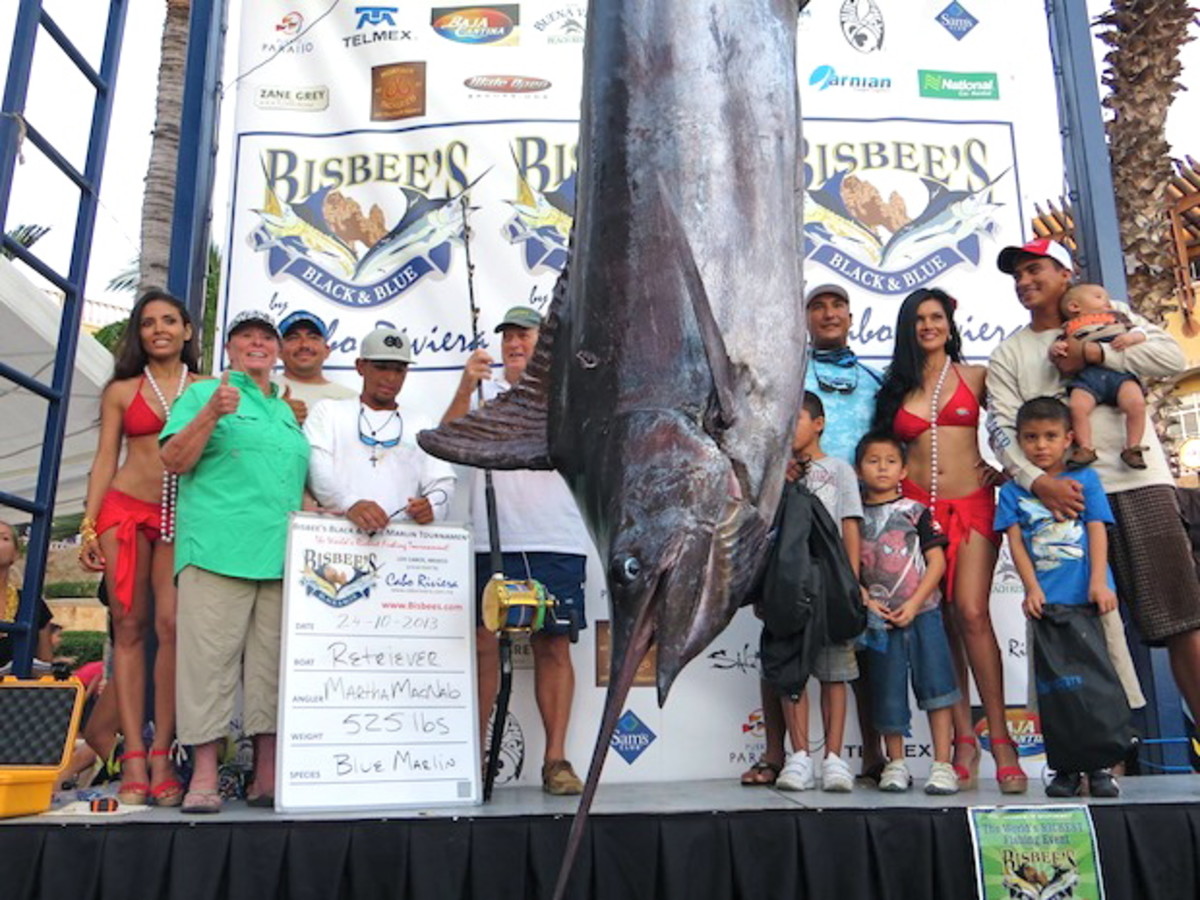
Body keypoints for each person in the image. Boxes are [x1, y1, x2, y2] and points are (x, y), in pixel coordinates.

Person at [989, 237, 1200, 745]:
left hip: (1138, 483)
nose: (1024, 282)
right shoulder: (1009, 353)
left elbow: (1171, 355)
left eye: (1035, 269)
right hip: (1065, 502)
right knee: (1081, 634)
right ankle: (1095, 760)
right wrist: (1039, 481)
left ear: (1068, 275)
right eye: (1017, 275)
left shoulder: (1111, 312)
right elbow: (1001, 430)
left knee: (1183, 621)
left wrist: (1093, 351)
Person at [873, 287, 1025, 793]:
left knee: (973, 613)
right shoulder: (894, 387)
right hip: (917, 513)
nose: (928, 326)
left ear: (950, 323)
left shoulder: (976, 377)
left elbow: (1010, 426)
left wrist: (1008, 470)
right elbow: (878, 449)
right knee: (941, 625)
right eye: (918, 319)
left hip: (973, 505)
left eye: (936, 317)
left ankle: (1001, 738)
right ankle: (964, 741)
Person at [161, 309, 310, 813]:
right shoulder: (205, 393)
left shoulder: (287, 411)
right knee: (208, 667)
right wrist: (211, 414)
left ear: (278, 351)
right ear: (229, 349)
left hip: (280, 558)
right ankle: (203, 774)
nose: (257, 343)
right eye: (245, 336)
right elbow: (174, 460)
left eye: (266, 337)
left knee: (272, 670)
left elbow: (295, 485)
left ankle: (265, 774)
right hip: (217, 552)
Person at [441, 305, 593, 795]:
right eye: (507, 337)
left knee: (552, 645)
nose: (514, 344)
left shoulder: (570, 396)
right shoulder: (485, 396)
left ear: (544, 346)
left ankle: (556, 760)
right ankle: (475, 753)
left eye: (525, 336)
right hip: (494, 539)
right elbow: (445, 439)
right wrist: (465, 387)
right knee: (487, 646)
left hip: (556, 537)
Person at [743, 283, 886, 786]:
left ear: (850, 315)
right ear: (803, 318)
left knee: (848, 651)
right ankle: (781, 754)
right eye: (817, 306)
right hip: (788, 521)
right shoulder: (786, 374)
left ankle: (864, 755)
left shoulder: (875, 378)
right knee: (782, 652)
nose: (828, 314)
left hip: (857, 518)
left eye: (836, 306)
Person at [77, 288, 203, 806]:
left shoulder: (208, 388)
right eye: (149, 323)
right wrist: (89, 524)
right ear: (140, 333)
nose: (159, 330)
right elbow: (106, 459)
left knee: (171, 629)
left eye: (169, 321)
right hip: (125, 510)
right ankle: (131, 755)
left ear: (187, 331)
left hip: (182, 515)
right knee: (128, 627)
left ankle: (163, 753)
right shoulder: (121, 391)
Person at [994, 397, 1124, 798]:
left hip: (1087, 600)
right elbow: (1015, 543)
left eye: (1050, 437)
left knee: (1095, 686)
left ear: (1068, 438)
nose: (1041, 446)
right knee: (1055, 690)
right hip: (1046, 607)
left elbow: (1098, 529)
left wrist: (1100, 582)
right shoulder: (1014, 493)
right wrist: (1031, 588)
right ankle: (1064, 767)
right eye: (1031, 438)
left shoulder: (1086, 482)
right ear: (1019, 442)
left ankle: (1100, 766)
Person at [855, 433, 959, 795]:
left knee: (937, 686)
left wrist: (915, 604)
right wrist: (865, 599)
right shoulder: (852, 516)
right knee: (886, 690)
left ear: (903, 469)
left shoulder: (916, 512)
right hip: (878, 621)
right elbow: (848, 567)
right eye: (873, 460)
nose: (882, 467)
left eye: (890, 461)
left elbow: (938, 562)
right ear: (858, 468)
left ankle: (943, 764)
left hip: (924, 614)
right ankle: (895, 763)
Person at [774, 392, 863, 793]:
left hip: (831, 584)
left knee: (834, 673)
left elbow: (850, 527)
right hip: (789, 585)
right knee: (790, 669)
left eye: (797, 420)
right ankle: (797, 756)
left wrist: (852, 581)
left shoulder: (840, 471)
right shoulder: (772, 472)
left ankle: (834, 757)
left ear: (819, 424)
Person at [305, 326, 455, 530]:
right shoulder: (328, 412)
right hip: (338, 540)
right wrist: (350, 504)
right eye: (381, 367)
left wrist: (432, 506)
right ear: (360, 366)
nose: (390, 378)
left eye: (399, 370)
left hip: (402, 543)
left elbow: (443, 482)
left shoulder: (421, 423)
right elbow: (317, 471)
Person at [1055, 283, 1147, 469]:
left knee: (1136, 404)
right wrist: (1056, 349)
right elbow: (1060, 345)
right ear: (1074, 307)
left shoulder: (1116, 317)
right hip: (1089, 375)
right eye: (1098, 297)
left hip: (1119, 372)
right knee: (1077, 407)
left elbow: (1140, 331)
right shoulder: (1069, 327)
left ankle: (1133, 447)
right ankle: (1086, 448)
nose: (1107, 301)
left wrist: (1131, 338)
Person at [274, 309, 355, 425]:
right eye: (293, 338)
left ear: (327, 351)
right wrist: (274, 414)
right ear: (279, 351)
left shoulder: (349, 399)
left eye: (313, 337)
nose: (304, 345)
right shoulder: (262, 391)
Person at [0, 520, 55, 669]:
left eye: (4, 538)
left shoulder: (31, 603)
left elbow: (45, 664)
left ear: (15, 554)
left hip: (15, 690)